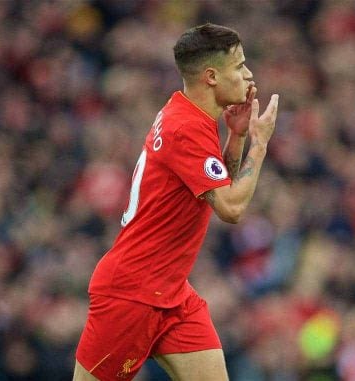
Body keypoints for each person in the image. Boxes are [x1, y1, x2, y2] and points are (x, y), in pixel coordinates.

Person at [73, 23, 279, 381]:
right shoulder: (185, 128)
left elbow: (219, 192)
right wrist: (260, 144)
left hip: (172, 292)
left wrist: (236, 136)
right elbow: (231, 209)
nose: (248, 74)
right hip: (131, 292)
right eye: (240, 66)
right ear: (212, 76)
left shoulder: (186, 113)